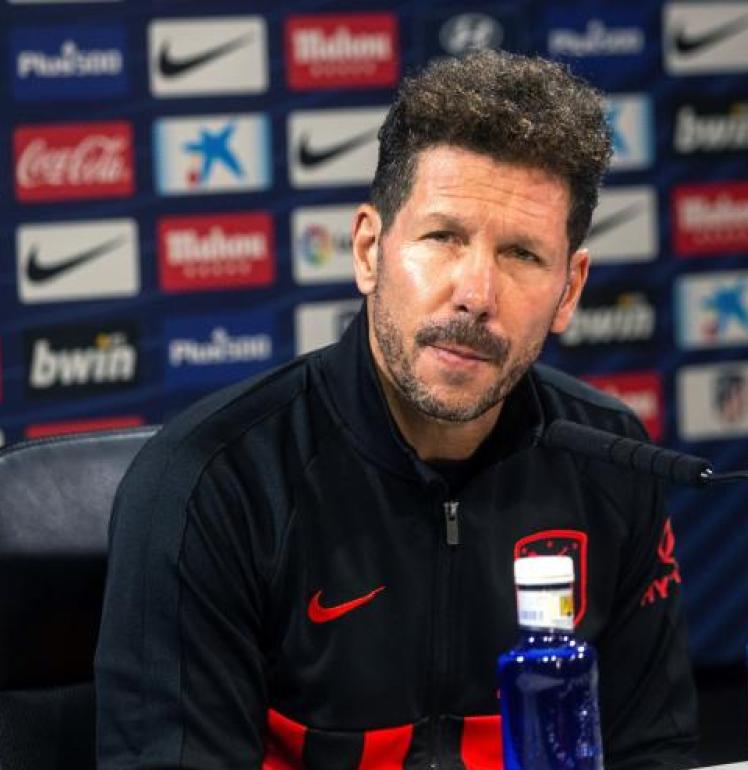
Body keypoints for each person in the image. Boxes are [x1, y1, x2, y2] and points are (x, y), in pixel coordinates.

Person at [95, 50, 697, 769]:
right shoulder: (211, 485)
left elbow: (653, 752)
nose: (476, 294)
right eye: (443, 238)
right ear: (368, 250)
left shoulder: (610, 461)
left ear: (569, 291)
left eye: (522, 256)